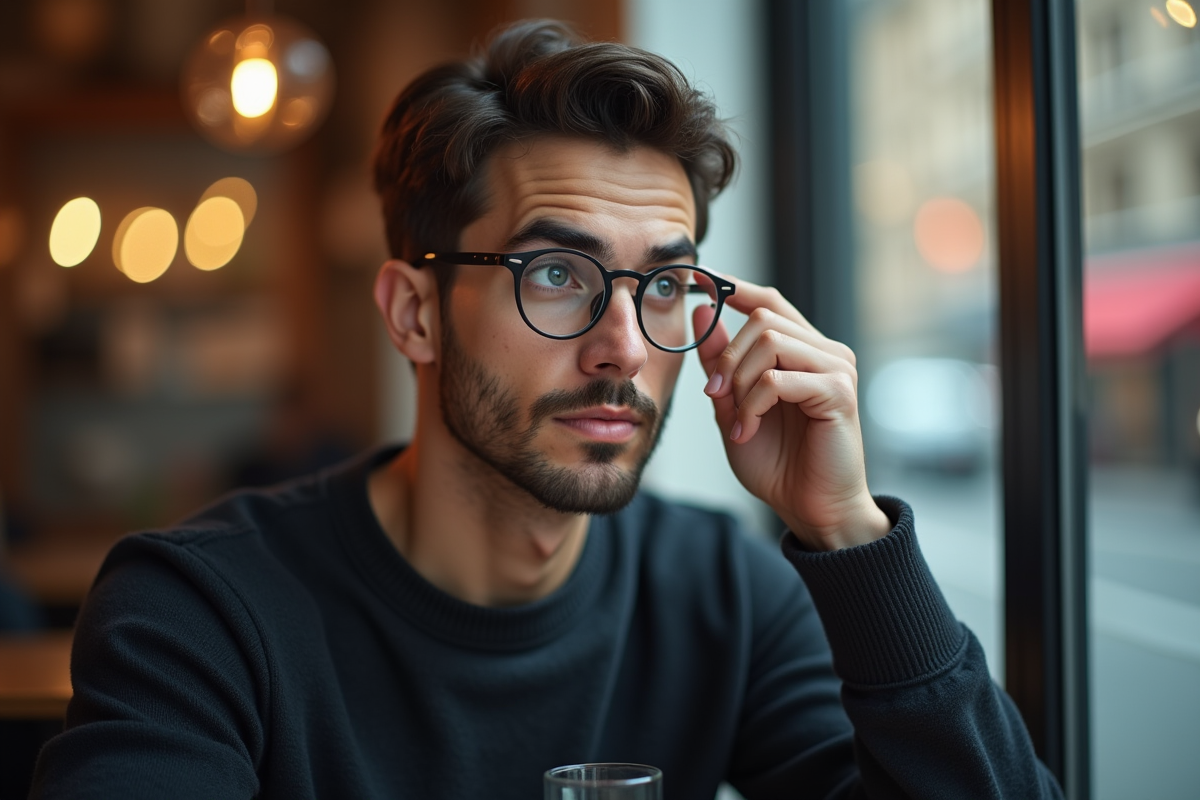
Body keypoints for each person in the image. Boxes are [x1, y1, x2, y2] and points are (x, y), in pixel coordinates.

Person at [31, 20, 1062, 799]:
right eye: (558, 273)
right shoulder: (201, 610)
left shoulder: (727, 597)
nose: (624, 346)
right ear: (415, 313)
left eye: (665, 285)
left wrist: (852, 535)